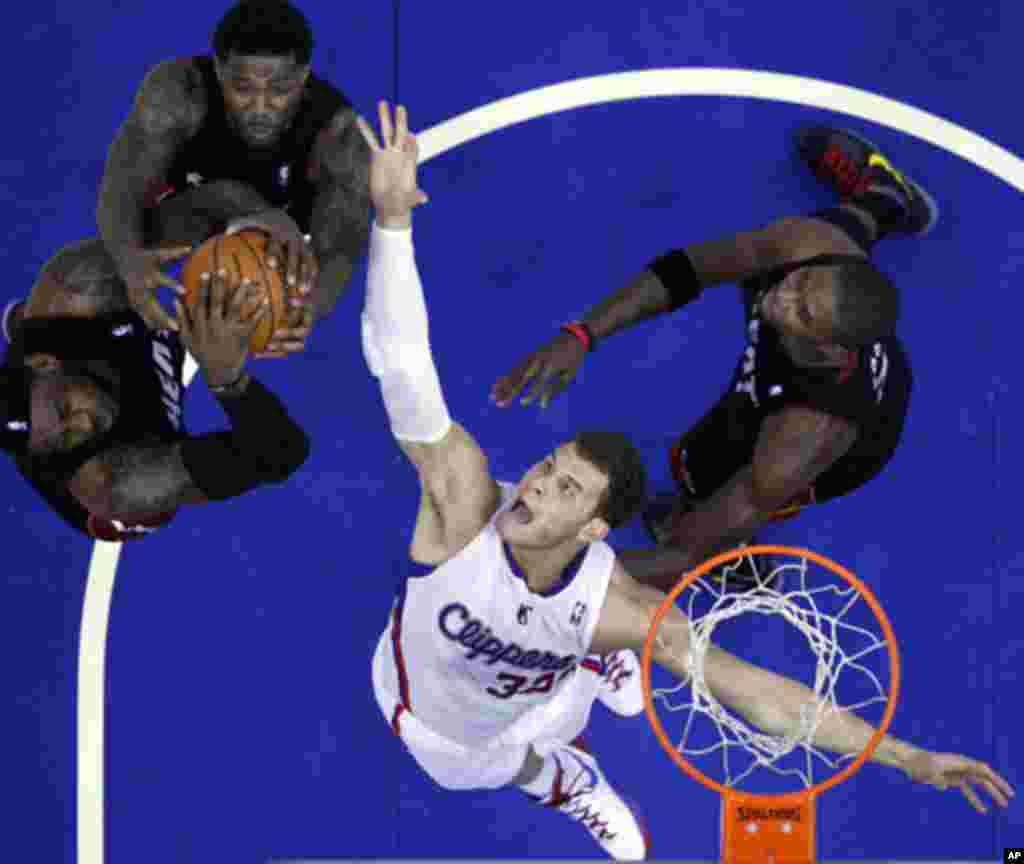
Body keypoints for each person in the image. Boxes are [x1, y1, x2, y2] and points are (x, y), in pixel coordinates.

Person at [358, 102, 1011, 860]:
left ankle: (570, 763)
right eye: (544, 469)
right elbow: (403, 365)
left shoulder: (780, 459)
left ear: (596, 532)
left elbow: (757, 691)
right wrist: (392, 223)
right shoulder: (463, 511)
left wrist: (908, 757)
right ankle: (877, 202)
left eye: (565, 490)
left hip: (546, 679)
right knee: (480, 764)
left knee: (544, 718)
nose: (533, 488)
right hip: (423, 701)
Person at [492, 126, 932, 593]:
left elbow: (681, 556)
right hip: (823, 315)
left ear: (828, 347)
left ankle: (735, 558)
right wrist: (581, 335)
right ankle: (883, 197)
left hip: (847, 439)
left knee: (696, 492)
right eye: (801, 282)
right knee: (841, 227)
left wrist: (547, 567)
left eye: (802, 310)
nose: (783, 295)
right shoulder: (807, 249)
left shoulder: (804, 434)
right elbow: (686, 270)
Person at [88, 0, 370, 358]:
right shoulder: (181, 92)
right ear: (220, 71)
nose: (260, 107)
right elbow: (120, 189)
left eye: (280, 91)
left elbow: (341, 245)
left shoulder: (337, 132)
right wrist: (129, 258)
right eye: (243, 88)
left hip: (277, 247)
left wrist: (304, 310)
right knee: (97, 268)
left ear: (303, 78)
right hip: (184, 222)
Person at [0, 238, 309, 542]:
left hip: (72, 339)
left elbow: (179, 211)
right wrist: (227, 380)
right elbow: (282, 452)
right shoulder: (113, 482)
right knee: (133, 507)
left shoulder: (70, 295)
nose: (84, 424)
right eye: (66, 438)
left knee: (95, 287)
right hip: (131, 463)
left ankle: (32, 329)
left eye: (65, 409)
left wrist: (253, 227)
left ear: (45, 363)